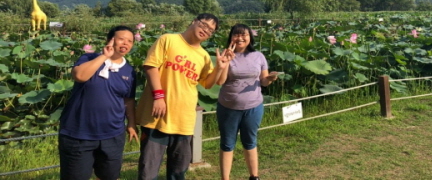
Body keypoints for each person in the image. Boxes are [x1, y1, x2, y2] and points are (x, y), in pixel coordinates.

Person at [135, 13, 234, 180]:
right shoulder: (168, 39)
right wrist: (159, 97)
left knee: (179, 170)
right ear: (194, 21)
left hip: (184, 119)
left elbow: (208, 84)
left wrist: (220, 67)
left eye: (211, 30)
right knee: (148, 171)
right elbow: (150, 67)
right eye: (204, 25)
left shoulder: (203, 55)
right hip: (157, 116)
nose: (206, 31)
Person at [58, 25, 138, 180]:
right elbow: (80, 76)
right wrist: (104, 56)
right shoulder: (88, 58)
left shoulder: (129, 70)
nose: (125, 44)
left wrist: (131, 123)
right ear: (110, 40)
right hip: (79, 134)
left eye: (130, 41)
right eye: (121, 39)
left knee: (109, 176)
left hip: (113, 134)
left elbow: (128, 100)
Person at [216, 24, 279, 180]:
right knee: (227, 143)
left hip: (253, 106)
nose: (240, 38)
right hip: (228, 106)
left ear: (250, 37)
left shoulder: (258, 56)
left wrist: (270, 79)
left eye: (244, 35)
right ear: (231, 37)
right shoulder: (225, 55)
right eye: (236, 35)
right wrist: (225, 62)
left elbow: (263, 82)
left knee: (250, 141)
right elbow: (220, 81)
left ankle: (254, 176)